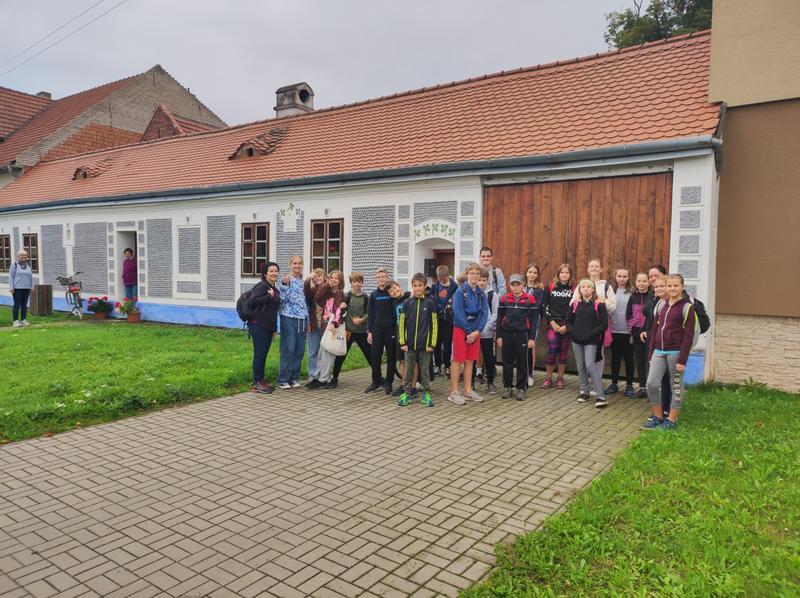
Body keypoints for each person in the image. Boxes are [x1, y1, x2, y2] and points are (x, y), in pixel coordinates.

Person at [642, 274, 696, 430]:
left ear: (682, 287)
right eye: (669, 285)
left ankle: (671, 420)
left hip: (676, 353)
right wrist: (651, 352)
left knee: (675, 386)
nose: (672, 288)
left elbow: (689, 335)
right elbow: (655, 329)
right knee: (651, 384)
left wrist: (682, 360)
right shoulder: (661, 305)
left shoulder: (687, 307)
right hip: (659, 352)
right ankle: (658, 417)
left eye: (675, 285)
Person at [448, 263, 489, 405]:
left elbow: (484, 313)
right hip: (461, 329)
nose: (475, 276)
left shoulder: (481, 293)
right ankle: (454, 392)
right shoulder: (460, 291)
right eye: (472, 273)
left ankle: (467, 390)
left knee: (470, 360)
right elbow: (458, 313)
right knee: (457, 360)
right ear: (467, 275)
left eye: (477, 274)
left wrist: (478, 331)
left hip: (475, 331)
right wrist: (468, 331)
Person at [567, 279, 609, 408]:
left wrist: (591, 333)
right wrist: (574, 333)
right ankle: (584, 391)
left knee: (590, 365)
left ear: (593, 290)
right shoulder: (575, 304)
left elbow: (604, 324)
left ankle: (601, 395)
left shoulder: (599, 305)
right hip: (577, 340)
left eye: (588, 287)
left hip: (591, 340)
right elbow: (568, 322)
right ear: (580, 290)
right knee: (580, 366)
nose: (585, 289)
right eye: (583, 287)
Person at [398, 273, 438, 407]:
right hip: (409, 345)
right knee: (409, 370)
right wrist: (403, 342)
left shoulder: (430, 303)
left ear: (425, 286)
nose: (417, 288)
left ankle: (426, 394)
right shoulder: (407, 303)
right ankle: (407, 393)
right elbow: (402, 323)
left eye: (420, 285)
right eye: (415, 286)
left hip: (425, 345)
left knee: (425, 370)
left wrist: (432, 343)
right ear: (412, 286)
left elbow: (434, 324)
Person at [497, 274, 538, 401]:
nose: (515, 287)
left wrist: (532, 338)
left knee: (522, 362)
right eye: (513, 285)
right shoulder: (504, 299)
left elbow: (534, 320)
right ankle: (508, 387)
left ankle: (521, 388)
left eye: (518, 284)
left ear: (523, 284)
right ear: (509, 285)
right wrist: (499, 336)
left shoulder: (530, 299)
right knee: (507, 362)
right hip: (507, 334)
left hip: (522, 334)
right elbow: (499, 318)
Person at [331, 272, 371, 389]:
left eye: (359, 281)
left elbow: (369, 313)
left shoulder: (366, 297)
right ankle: (334, 378)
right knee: (341, 355)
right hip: (348, 331)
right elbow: (341, 312)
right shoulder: (347, 296)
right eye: (354, 282)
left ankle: (377, 377)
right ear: (351, 283)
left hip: (361, 331)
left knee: (370, 354)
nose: (356, 284)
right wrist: (342, 306)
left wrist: (362, 320)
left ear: (362, 283)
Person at [247, 261, 281, 394]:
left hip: (267, 326)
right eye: (271, 271)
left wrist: (273, 328)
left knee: (263, 353)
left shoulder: (272, 287)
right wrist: (268, 296)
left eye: (276, 271)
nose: (274, 273)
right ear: (265, 274)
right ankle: (257, 382)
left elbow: (272, 310)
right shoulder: (262, 286)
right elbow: (252, 301)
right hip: (258, 325)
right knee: (260, 354)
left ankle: (261, 380)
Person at [276, 256, 308, 390]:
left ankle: (293, 378)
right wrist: (284, 284)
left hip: (303, 318)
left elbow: (306, 301)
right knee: (288, 349)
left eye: (299, 263)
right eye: (295, 263)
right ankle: (283, 379)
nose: (297, 265)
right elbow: (282, 298)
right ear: (290, 265)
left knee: (299, 350)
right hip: (288, 317)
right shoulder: (286, 279)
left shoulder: (304, 282)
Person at [310, 270, 346, 389]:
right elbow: (318, 299)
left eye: (336, 278)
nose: (333, 280)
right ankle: (318, 377)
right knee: (321, 353)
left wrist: (334, 323)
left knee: (328, 354)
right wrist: (327, 285)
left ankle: (323, 379)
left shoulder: (339, 293)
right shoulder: (329, 292)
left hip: (332, 325)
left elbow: (339, 309)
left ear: (340, 281)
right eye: (331, 278)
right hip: (325, 324)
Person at [541, 264, 574, 389]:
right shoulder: (550, 288)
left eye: (567, 272)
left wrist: (566, 325)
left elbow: (574, 309)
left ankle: (560, 378)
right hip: (553, 325)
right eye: (562, 272)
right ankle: (548, 378)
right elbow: (545, 306)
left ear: (570, 275)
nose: (564, 275)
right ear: (558, 274)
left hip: (567, 326)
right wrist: (552, 323)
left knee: (563, 353)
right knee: (552, 351)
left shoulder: (574, 289)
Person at [366, 268, 396, 394]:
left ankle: (389, 382)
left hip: (391, 329)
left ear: (387, 278)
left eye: (383, 276)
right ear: (376, 279)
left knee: (391, 357)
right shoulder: (373, 295)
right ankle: (376, 381)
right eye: (378, 277)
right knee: (375, 356)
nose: (381, 279)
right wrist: (369, 331)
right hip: (377, 330)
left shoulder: (391, 293)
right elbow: (370, 314)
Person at [606, 267, 635, 398]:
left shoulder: (632, 291)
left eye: (624, 276)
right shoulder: (610, 291)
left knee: (629, 359)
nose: (622, 279)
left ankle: (629, 385)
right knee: (615, 358)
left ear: (628, 277)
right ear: (615, 276)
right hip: (614, 330)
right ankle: (614, 384)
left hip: (628, 331)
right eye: (619, 276)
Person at [626, 272, 652, 398]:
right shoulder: (633, 297)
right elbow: (628, 316)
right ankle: (642, 388)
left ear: (649, 282)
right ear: (636, 283)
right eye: (639, 281)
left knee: (651, 361)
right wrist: (635, 332)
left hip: (649, 334)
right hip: (636, 335)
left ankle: (652, 388)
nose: (641, 283)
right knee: (640, 361)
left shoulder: (652, 297)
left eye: (644, 281)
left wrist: (647, 330)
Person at [476, 269, 499, 394]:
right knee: (472, 357)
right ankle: (472, 380)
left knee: (488, 356)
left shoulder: (492, 295)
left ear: (488, 281)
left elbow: (495, 313)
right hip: (473, 332)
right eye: (479, 280)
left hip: (487, 331)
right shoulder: (472, 293)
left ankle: (490, 381)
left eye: (484, 280)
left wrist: (488, 326)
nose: (481, 282)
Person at [431, 266, 457, 377]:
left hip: (448, 319)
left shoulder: (454, 286)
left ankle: (447, 365)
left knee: (447, 343)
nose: (441, 280)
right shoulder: (435, 286)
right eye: (440, 278)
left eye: (443, 279)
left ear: (448, 275)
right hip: (437, 318)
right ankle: (437, 365)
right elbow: (431, 298)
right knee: (436, 343)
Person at [523, 262, 545, 387]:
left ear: (537, 275)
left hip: (533, 321)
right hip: (520, 321)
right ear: (526, 273)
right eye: (530, 272)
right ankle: (522, 372)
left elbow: (537, 307)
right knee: (521, 347)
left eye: (535, 273)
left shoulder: (539, 290)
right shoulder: (521, 287)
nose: (532, 275)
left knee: (531, 346)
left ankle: (530, 374)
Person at [388, 280, 411, 396]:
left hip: (411, 334)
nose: (394, 291)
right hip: (400, 335)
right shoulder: (393, 302)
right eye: (391, 291)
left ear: (399, 286)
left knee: (412, 360)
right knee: (401, 360)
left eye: (395, 288)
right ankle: (403, 384)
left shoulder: (409, 297)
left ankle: (414, 383)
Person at [304, 268, 327, 385]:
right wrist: (308, 280)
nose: (317, 278)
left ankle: (323, 376)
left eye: (320, 276)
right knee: (313, 352)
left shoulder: (328, 289)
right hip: (313, 325)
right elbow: (306, 294)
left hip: (325, 326)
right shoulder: (312, 290)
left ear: (324, 277)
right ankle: (313, 376)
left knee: (324, 353)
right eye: (315, 277)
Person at [9, 250, 33, 328]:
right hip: (17, 288)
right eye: (22, 255)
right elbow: (11, 277)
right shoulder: (14, 265)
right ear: (18, 256)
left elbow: (30, 277)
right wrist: (11, 287)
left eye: (25, 255)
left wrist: (31, 286)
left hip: (26, 288)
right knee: (17, 304)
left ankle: (23, 320)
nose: (23, 257)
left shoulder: (28, 265)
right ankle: (15, 321)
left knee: (24, 305)